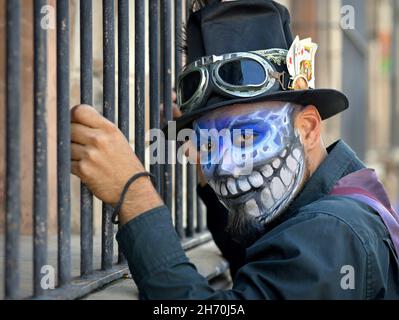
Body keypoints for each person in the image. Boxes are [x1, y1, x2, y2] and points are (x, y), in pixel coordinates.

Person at [70, 0, 399, 299]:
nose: (224, 165)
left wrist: (133, 193)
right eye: (209, 143)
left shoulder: (332, 230)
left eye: (245, 137)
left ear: (309, 128)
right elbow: (270, 270)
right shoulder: (341, 201)